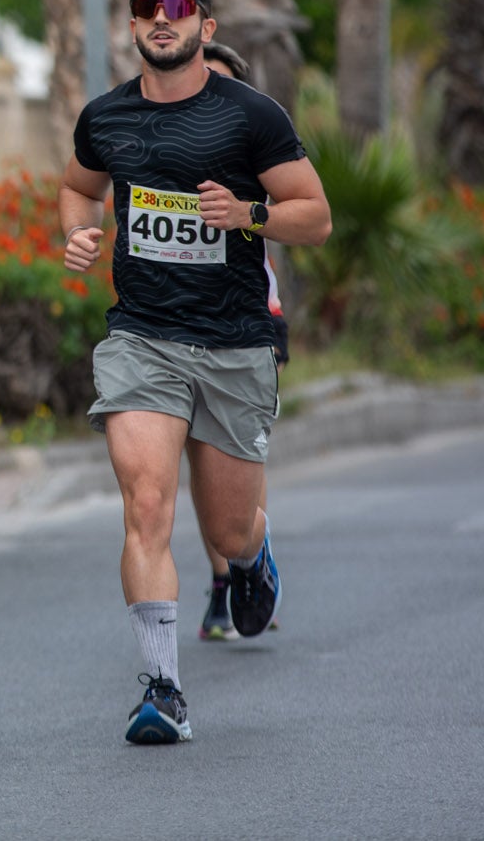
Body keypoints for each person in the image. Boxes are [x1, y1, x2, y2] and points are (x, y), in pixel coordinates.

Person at [60, 0, 330, 745]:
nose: (159, 18)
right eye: (147, 5)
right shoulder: (105, 116)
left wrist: (246, 215)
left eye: (176, 7)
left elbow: (313, 215)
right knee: (145, 504)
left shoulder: (250, 116)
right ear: (133, 23)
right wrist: (80, 229)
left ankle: (253, 555)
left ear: (204, 25)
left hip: (235, 342)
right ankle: (163, 688)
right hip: (142, 335)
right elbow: (78, 186)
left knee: (225, 530)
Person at [192, 41, 282, 643]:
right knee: (196, 458)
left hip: (250, 318)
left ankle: (248, 555)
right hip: (170, 323)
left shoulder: (258, 139)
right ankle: (223, 577)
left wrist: (246, 209)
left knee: (237, 452)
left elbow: (301, 210)